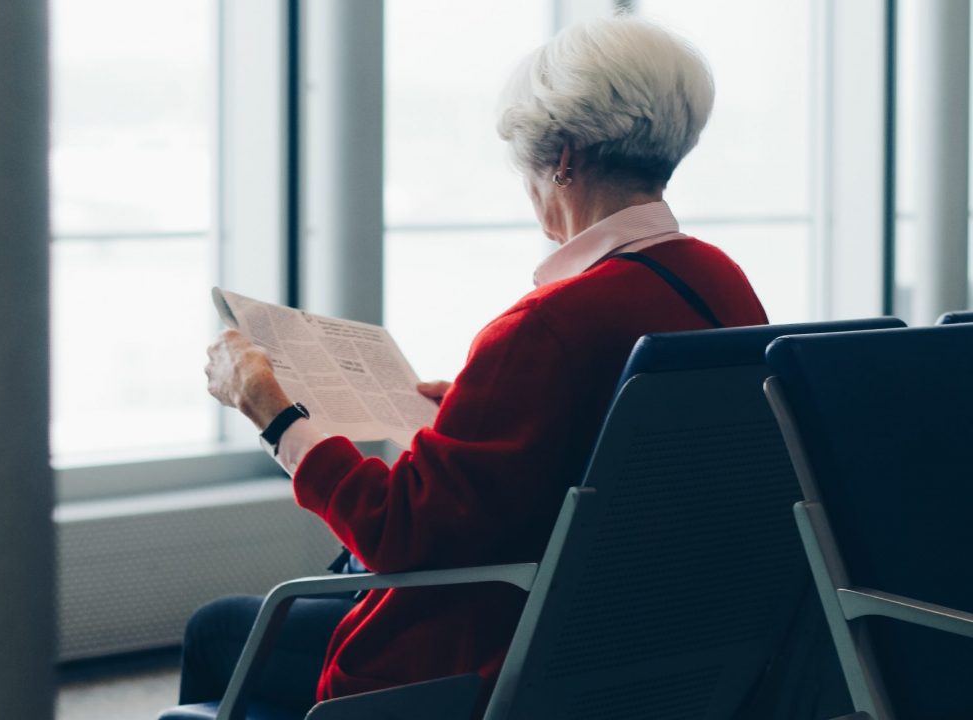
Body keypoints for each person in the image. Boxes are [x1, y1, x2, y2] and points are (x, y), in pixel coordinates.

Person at [182, 13, 769, 716]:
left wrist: (276, 417)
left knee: (220, 627)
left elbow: (402, 535)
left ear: (565, 158)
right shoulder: (722, 284)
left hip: (489, 658)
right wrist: (470, 417)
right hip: (643, 648)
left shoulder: (545, 328)